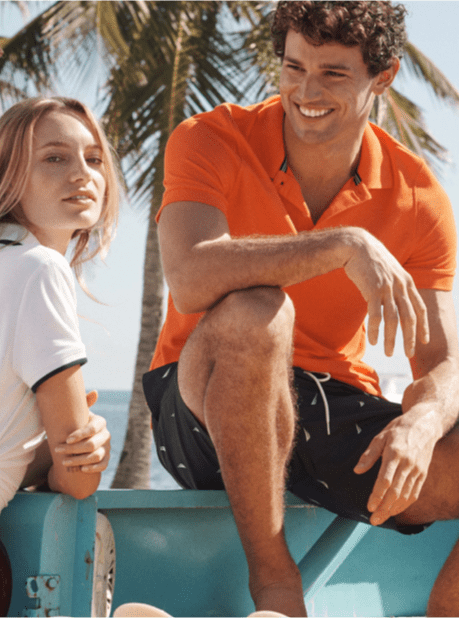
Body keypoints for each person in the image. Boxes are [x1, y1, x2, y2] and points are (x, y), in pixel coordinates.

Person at [143, 1, 459, 616]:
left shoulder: (419, 196)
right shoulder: (210, 137)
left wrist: (423, 421)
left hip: (327, 406)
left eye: (333, 74)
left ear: (384, 76)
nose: (307, 92)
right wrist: (342, 245)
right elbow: (189, 278)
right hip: (203, 401)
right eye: (294, 68)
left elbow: (444, 361)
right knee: (259, 312)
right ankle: (276, 588)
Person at [0, 96, 118, 513]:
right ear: (7, 175)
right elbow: (79, 479)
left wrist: (56, 449)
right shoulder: (39, 269)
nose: (82, 174)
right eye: (55, 158)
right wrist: (81, 449)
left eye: (94, 159)